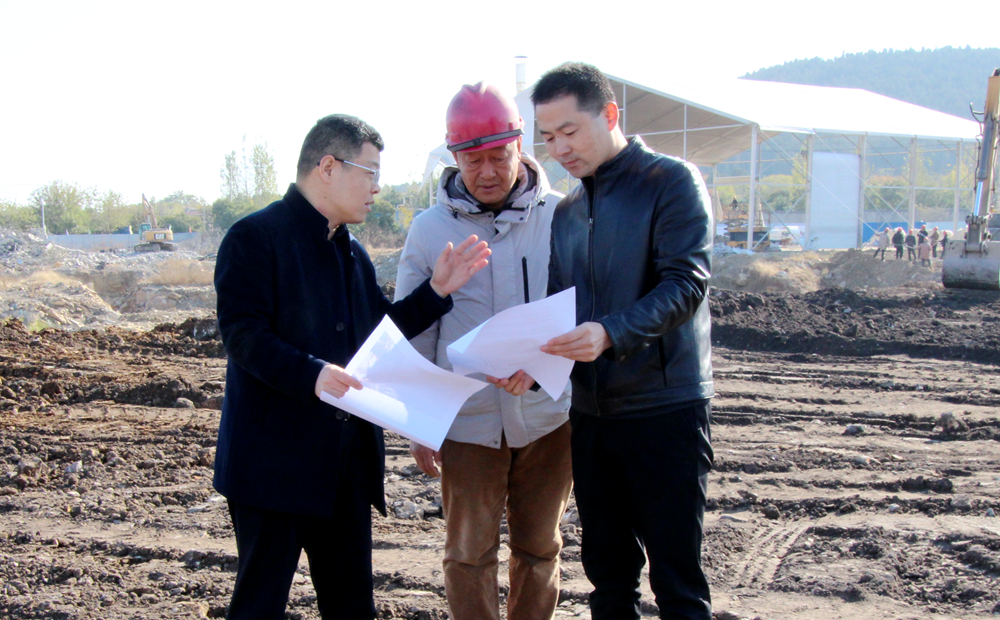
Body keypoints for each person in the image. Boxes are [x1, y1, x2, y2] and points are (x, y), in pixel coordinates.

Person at [213, 114, 491, 620]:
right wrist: (312, 374)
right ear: (328, 167)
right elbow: (243, 335)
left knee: (352, 607)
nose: (377, 188)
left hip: (344, 467)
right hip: (272, 466)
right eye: (370, 173)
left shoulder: (350, 251)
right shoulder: (255, 237)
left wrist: (435, 292)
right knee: (259, 605)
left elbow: (376, 336)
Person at [532, 62, 714, 620]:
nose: (560, 148)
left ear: (610, 115)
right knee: (608, 578)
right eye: (548, 137)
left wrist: (611, 332)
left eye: (569, 131)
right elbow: (558, 310)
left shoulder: (671, 182)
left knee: (677, 581)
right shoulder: (568, 211)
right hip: (591, 415)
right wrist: (531, 363)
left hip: (664, 405)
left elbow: (686, 284)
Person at [395, 83, 572, 620]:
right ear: (454, 157)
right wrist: (421, 421)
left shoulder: (563, 216)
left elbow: (585, 311)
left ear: (520, 146)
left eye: (499, 156)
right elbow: (415, 333)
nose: (488, 171)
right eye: (473, 160)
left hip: (547, 419)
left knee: (540, 548)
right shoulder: (429, 231)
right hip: (467, 422)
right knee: (468, 554)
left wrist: (544, 368)